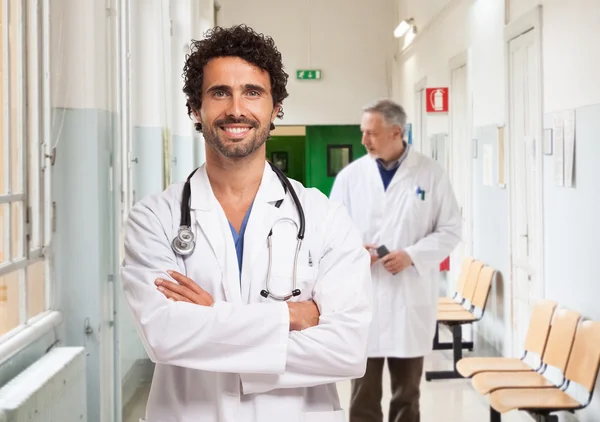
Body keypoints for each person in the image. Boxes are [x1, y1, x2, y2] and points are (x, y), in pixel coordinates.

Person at [120, 24, 372, 422]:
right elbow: (165, 337)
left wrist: (209, 323)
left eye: (252, 92)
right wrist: (289, 317)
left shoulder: (324, 217)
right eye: (219, 92)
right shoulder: (154, 219)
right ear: (194, 108)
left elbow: (348, 350)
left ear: (275, 110)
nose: (236, 108)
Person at [329, 99, 462, 422]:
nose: (363, 141)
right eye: (363, 132)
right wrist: (356, 252)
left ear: (396, 132)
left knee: (407, 394)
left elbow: (451, 230)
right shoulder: (350, 177)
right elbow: (331, 234)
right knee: (363, 392)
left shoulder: (430, 174)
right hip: (365, 296)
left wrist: (412, 256)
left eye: (371, 133)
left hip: (409, 297)